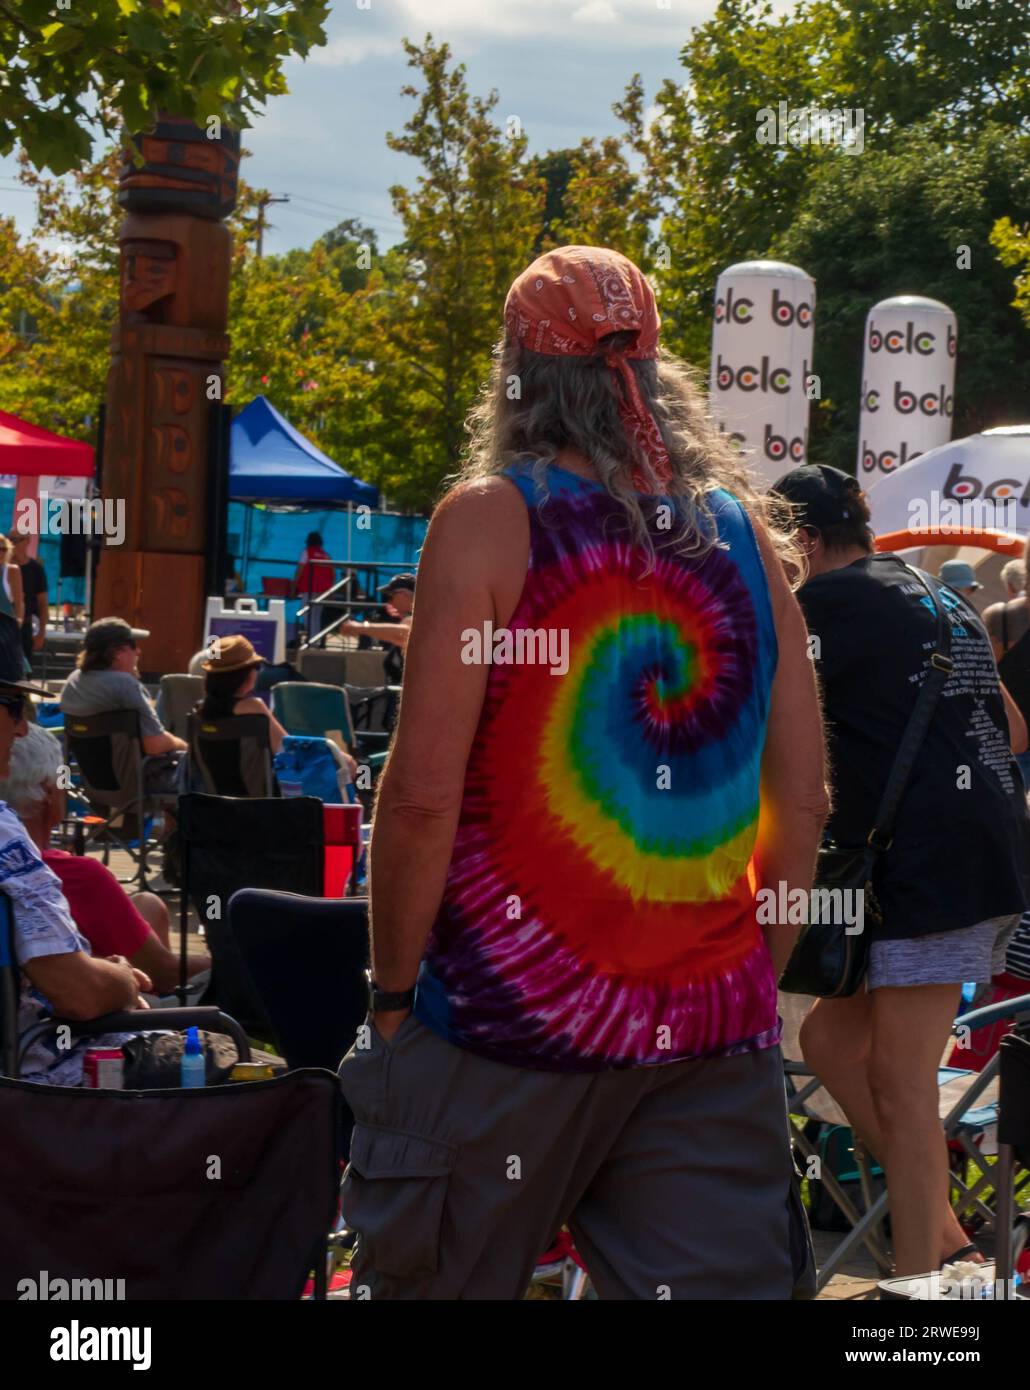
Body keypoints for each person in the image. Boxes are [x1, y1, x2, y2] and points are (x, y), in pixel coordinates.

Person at [338, 245, 827, 1300]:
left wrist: (388, 998)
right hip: (705, 1035)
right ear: (654, 369)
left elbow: (420, 798)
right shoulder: (743, 536)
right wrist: (746, 970)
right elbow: (805, 798)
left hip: (502, 1025)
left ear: (516, 371)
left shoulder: (488, 522)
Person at [772, 463, 1030, 1279]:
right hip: (974, 860)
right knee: (829, 1041)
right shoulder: (939, 596)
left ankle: (929, 1293)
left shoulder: (820, 607)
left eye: (782, 546)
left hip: (932, 872)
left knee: (902, 1082)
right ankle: (947, 1231)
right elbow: (1013, 733)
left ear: (805, 541)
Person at [0, 723, 210, 996]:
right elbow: (166, 973)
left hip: (25, 1006)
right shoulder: (77, 877)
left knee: (148, 904)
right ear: (49, 792)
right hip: (87, 1023)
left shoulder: (16, 866)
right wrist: (229, 962)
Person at [59, 617, 186, 794]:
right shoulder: (124, 685)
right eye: (134, 645)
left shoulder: (74, 681)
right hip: (135, 787)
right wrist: (184, 746)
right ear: (118, 653)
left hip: (92, 786)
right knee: (195, 769)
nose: (139, 652)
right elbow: (154, 745)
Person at [197, 635, 288, 756]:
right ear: (248, 675)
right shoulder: (254, 707)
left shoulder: (199, 709)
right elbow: (286, 749)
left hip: (208, 776)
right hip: (255, 775)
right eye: (257, 667)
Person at [338, 573, 414, 685]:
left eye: (391, 596)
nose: (389, 602)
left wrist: (360, 627)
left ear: (405, 595)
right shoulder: (409, 620)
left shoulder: (420, 620)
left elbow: (405, 635)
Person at [10, 530, 47, 665]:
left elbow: (42, 603)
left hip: (25, 627)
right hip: (4, 626)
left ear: (27, 541)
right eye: (10, 539)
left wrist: (41, 632)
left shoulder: (35, 569)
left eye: (16, 540)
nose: (12, 544)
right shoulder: (4, 567)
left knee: (24, 671)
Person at [0, 534, 27, 683]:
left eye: (4, 549)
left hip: (6, 625)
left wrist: (18, 621)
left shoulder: (12, 570)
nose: (1, 553)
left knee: (11, 665)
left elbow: (19, 600)